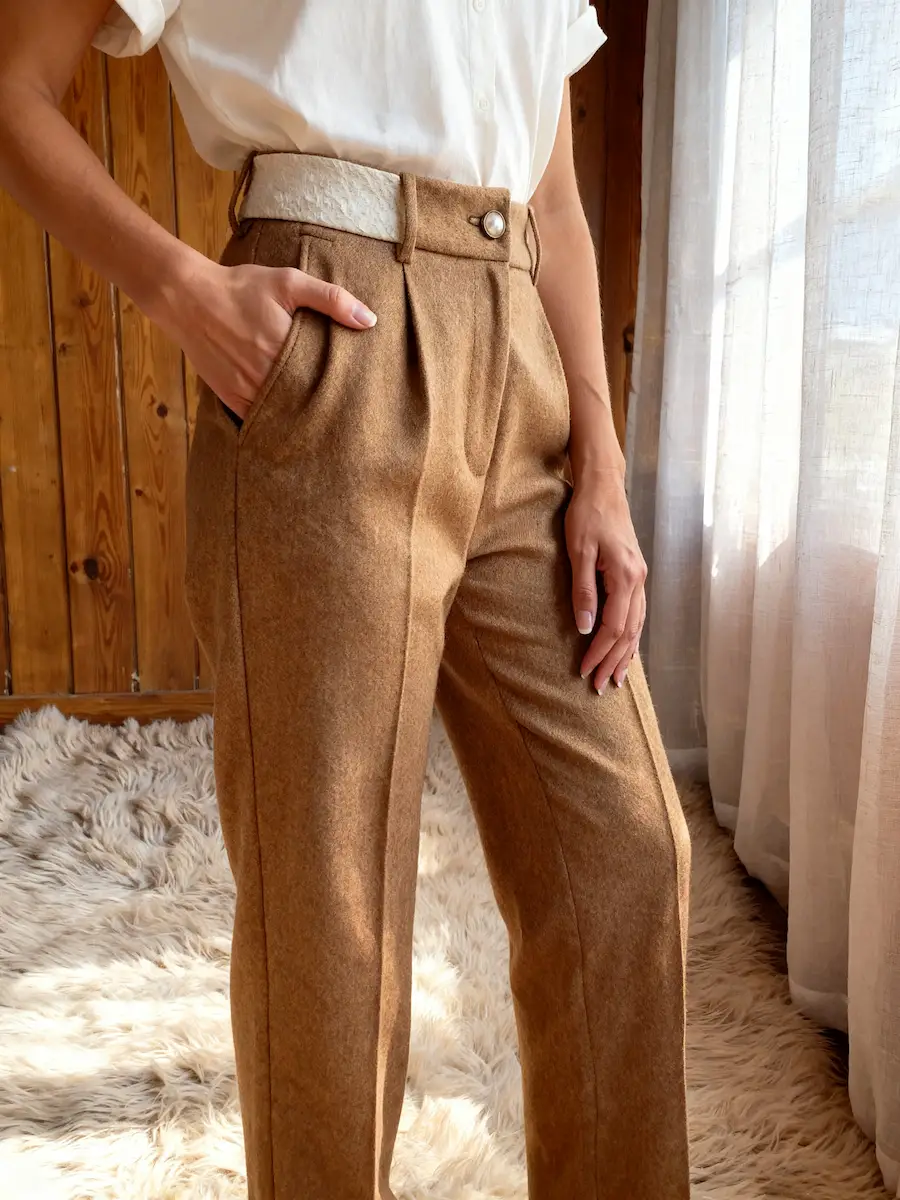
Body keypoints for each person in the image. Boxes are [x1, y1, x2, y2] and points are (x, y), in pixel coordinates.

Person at [0, 2, 692, 1197]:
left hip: (524, 369)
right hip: (335, 344)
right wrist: (182, 288)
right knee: (333, 909)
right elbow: (14, 88)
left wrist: (604, 466)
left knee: (629, 849)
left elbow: (557, 204)